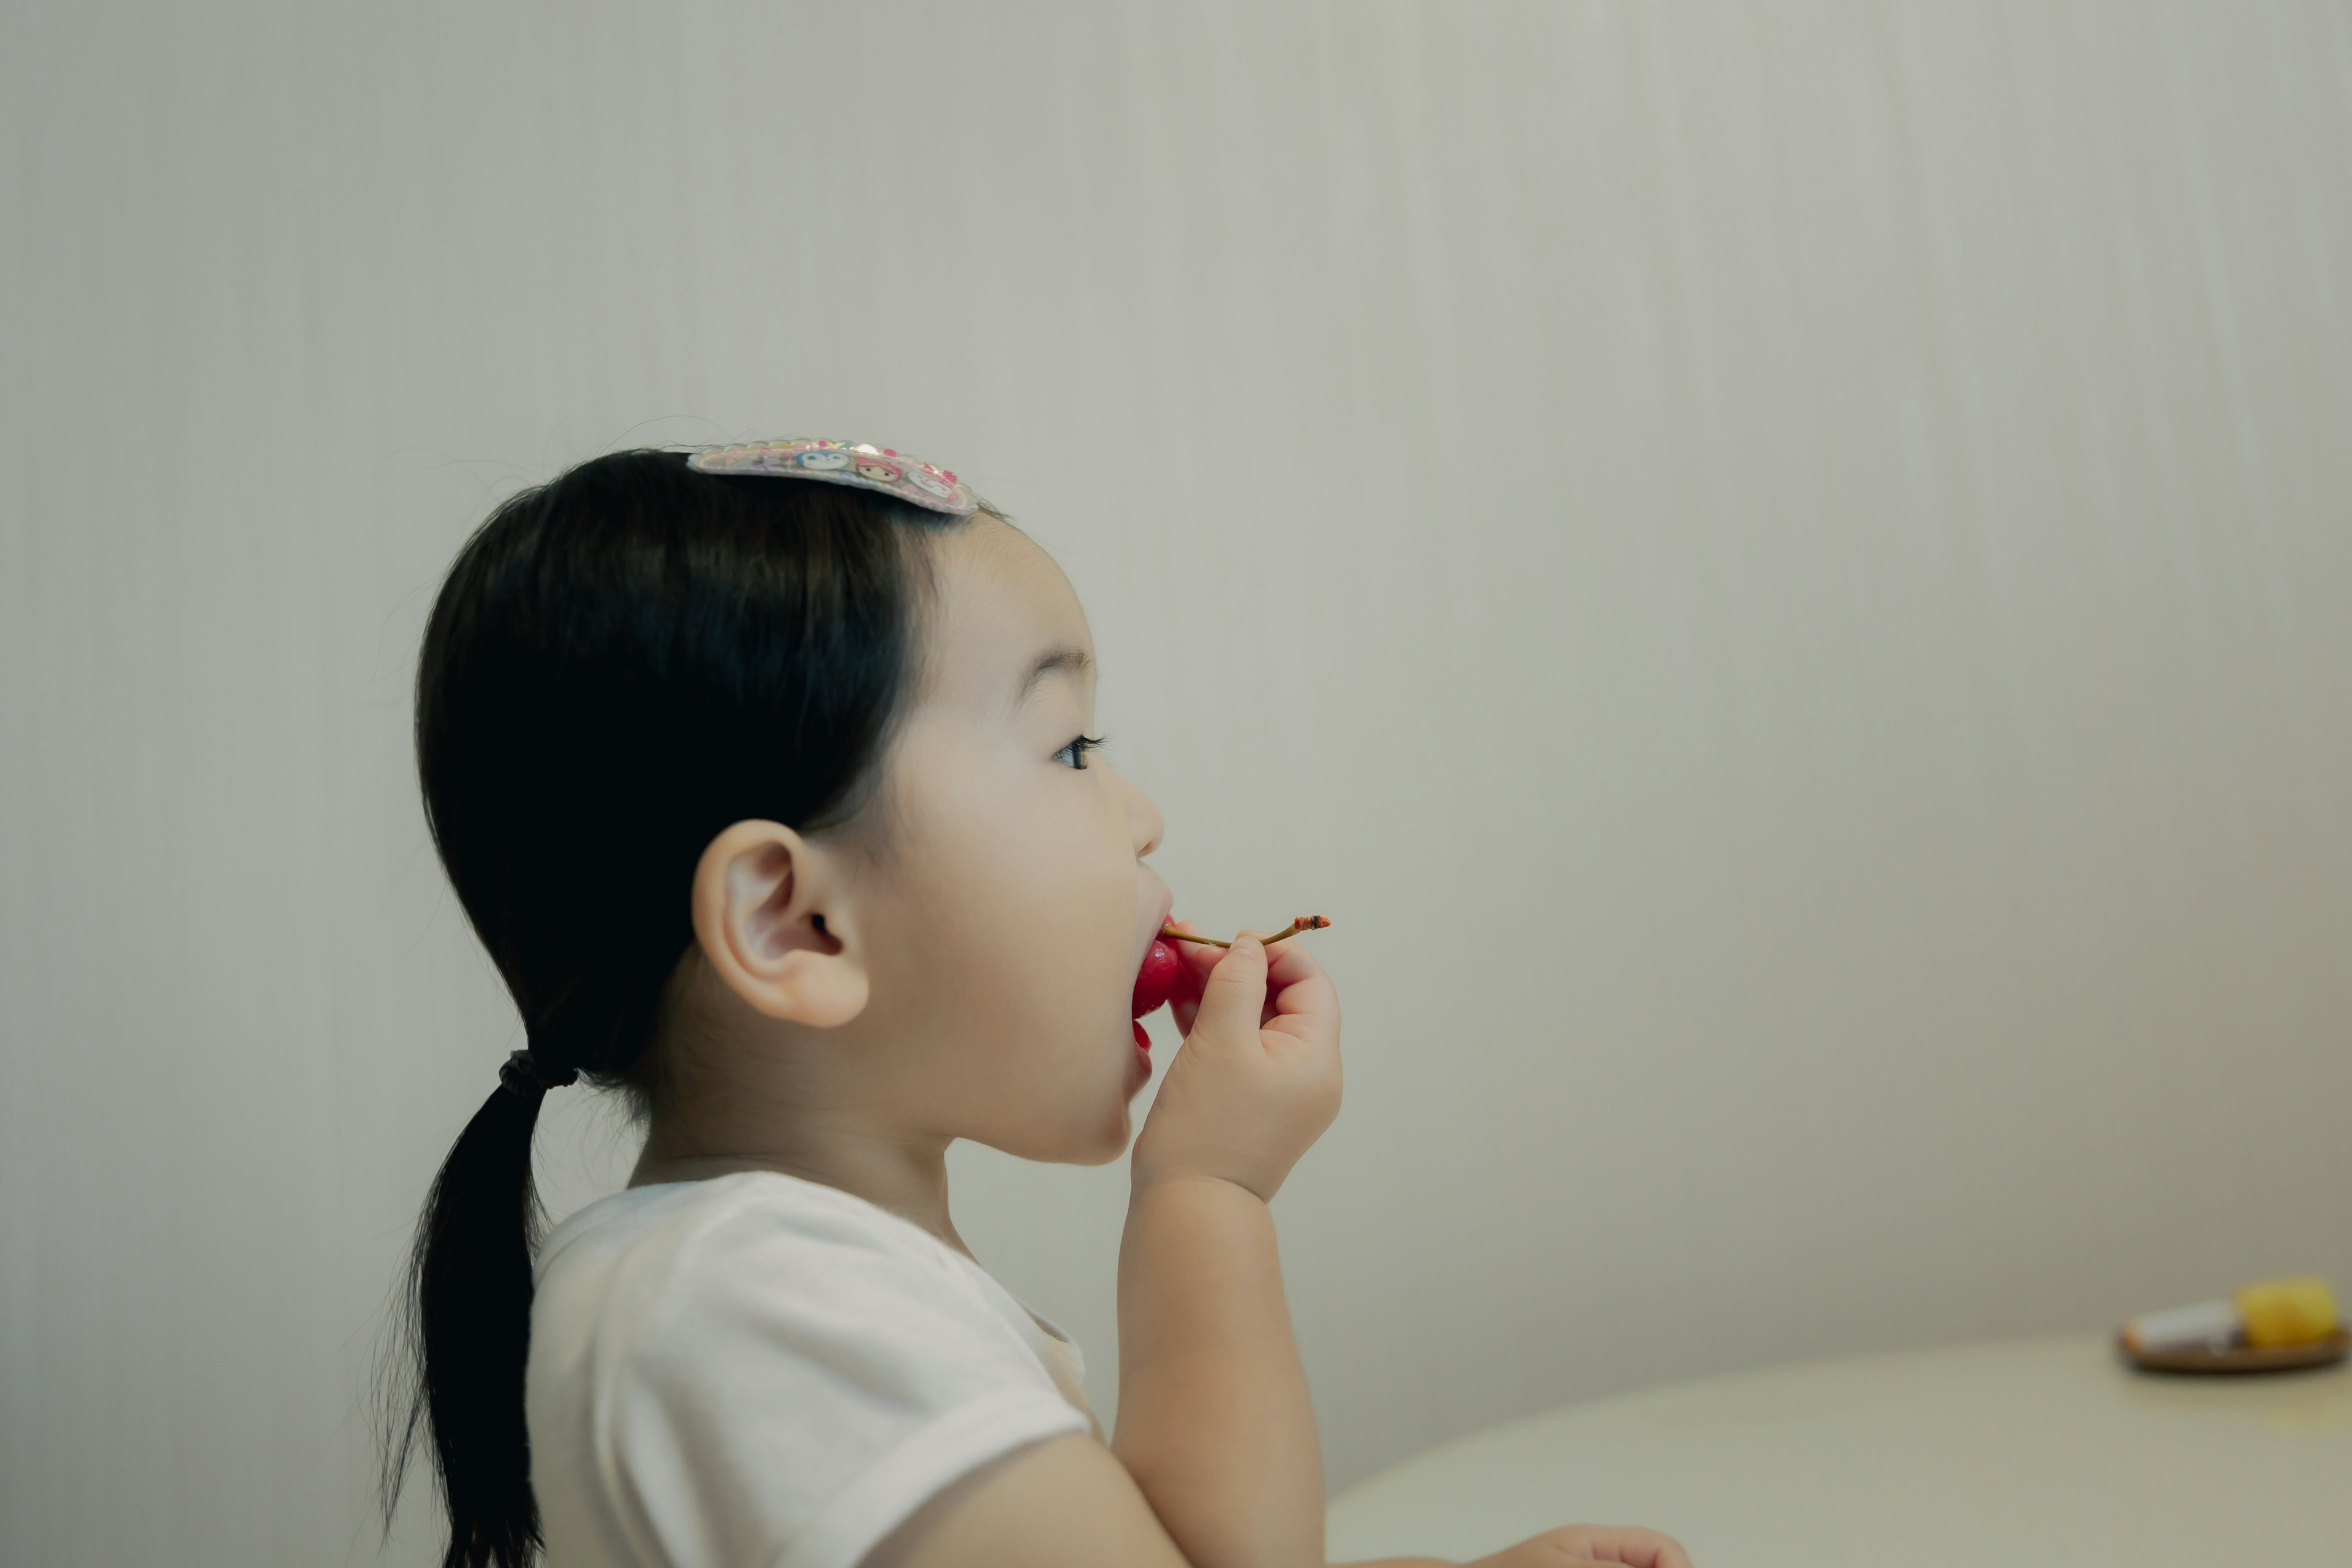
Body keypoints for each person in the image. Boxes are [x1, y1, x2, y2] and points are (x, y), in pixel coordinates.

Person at [380, 443, 1692, 1568]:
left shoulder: (753, 1280)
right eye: (1069, 747)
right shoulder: (765, 1308)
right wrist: (1208, 1197)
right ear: (798, 921)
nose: (1140, 814)